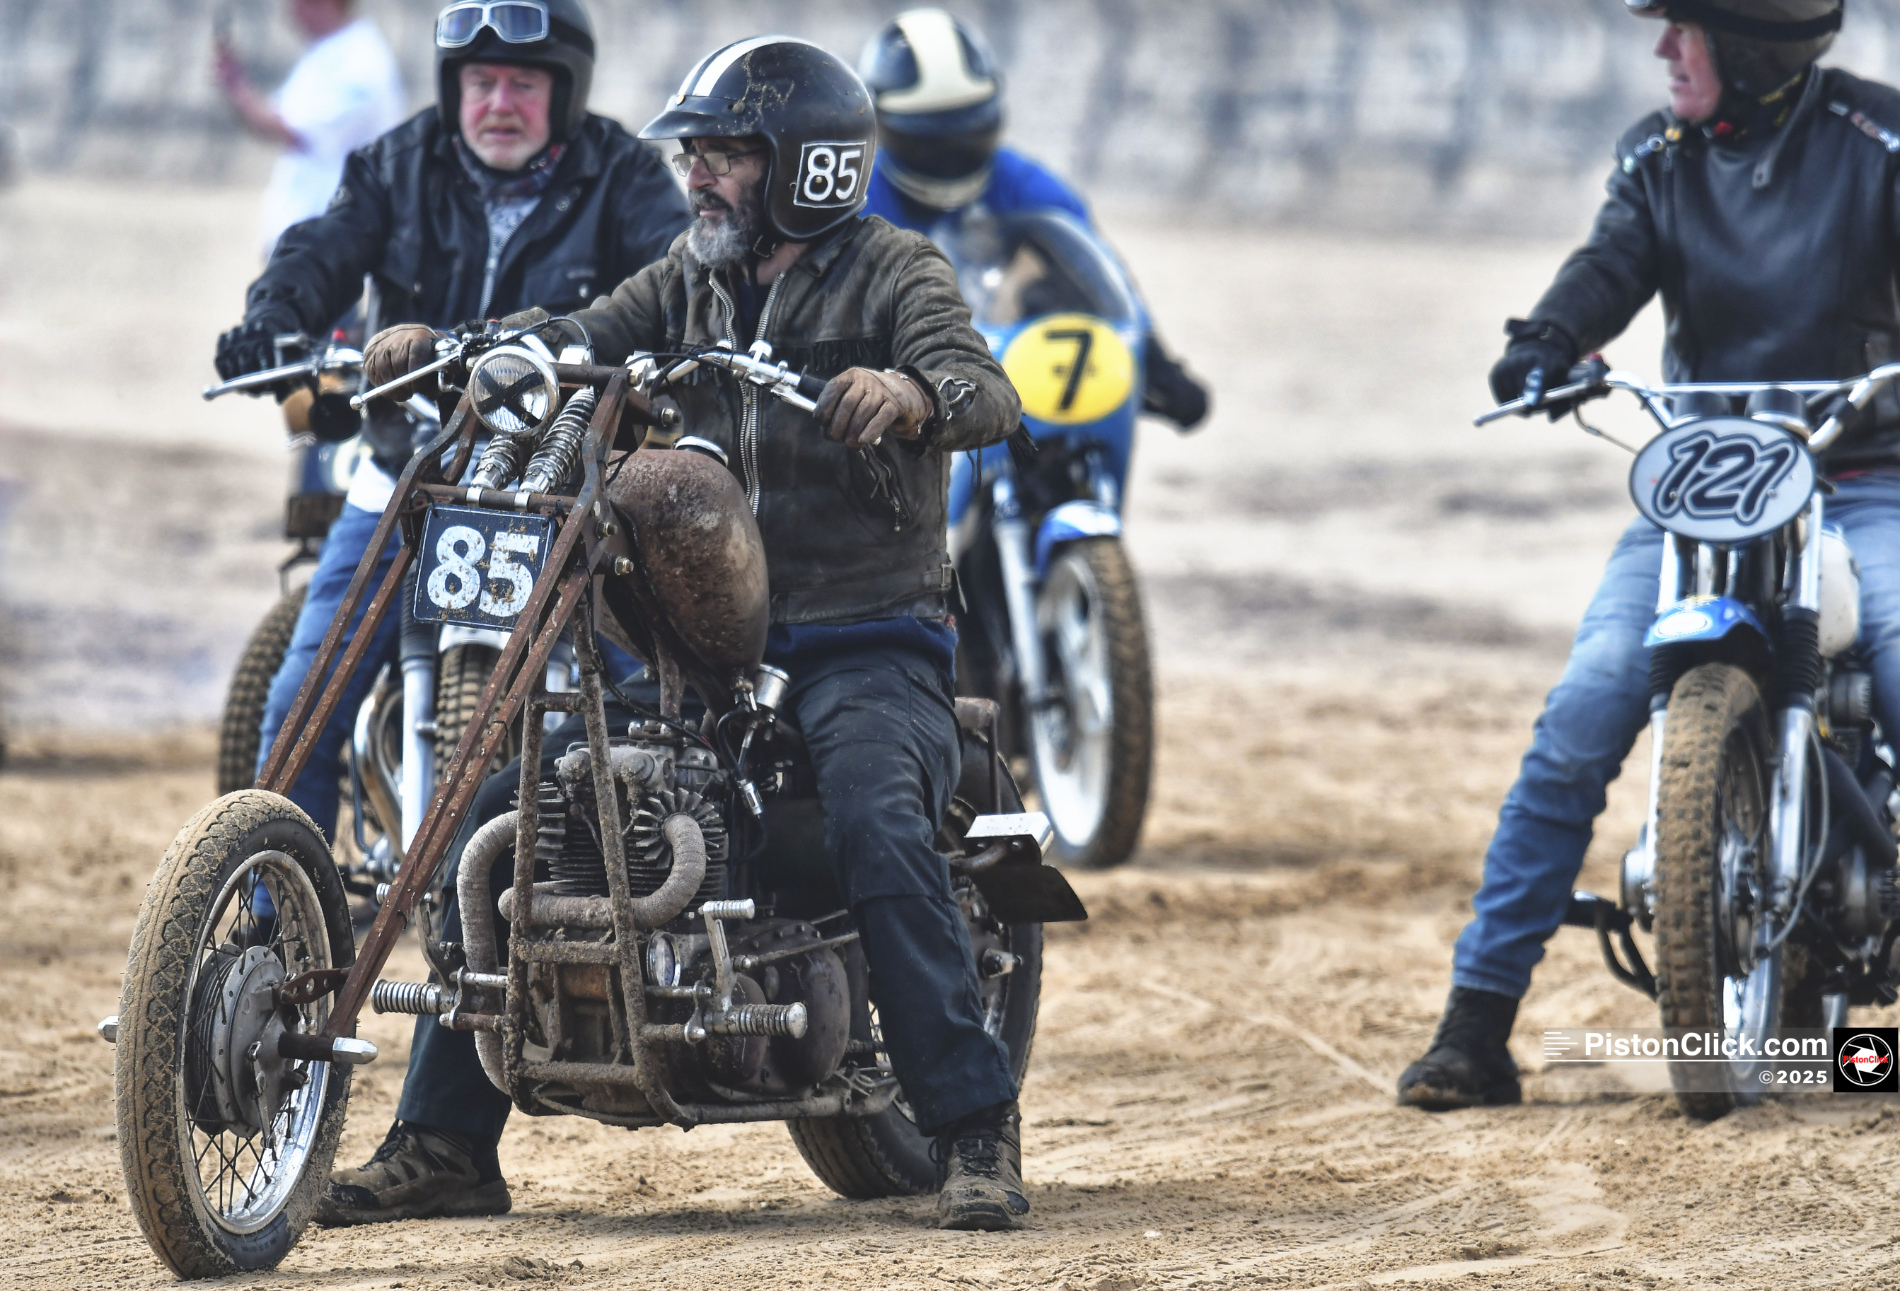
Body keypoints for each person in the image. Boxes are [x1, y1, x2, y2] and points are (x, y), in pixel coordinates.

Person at [333, 34, 1034, 1233]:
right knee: (510, 809)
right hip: (701, 643)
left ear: (807, 167)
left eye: (724, 156)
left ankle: (974, 1129)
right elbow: (578, 330)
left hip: (865, 631)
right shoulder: (688, 281)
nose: (699, 176)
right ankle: (446, 1141)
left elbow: (984, 387)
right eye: (695, 154)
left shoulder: (892, 270)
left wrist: (914, 396)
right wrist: (457, 344)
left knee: (873, 815)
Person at [1397, 0, 1900, 1110]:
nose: (1661, 50)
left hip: (1865, 475)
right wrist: (1545, 338)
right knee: (1581, 710)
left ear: (1753, 45)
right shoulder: (1655, 154)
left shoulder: (1880, 141)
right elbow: (1608, 263)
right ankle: (1474, 1026)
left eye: (1686, 30)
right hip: (1706, 486)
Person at [210, 0, 688, 862]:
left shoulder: (626, 174)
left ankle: (630, 901)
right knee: (299, 705)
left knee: (647, 700)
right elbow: (318, 250)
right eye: (480, 82)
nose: (498, 102)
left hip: (564, 482)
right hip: (407, 471)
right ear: (452, 85)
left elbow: (675, 276)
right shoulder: (396, 166)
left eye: (522, 83)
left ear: (565, 90)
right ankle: (272, 934)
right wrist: (274, 317)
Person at [856, 7, 1209, 431]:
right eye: (931, 140)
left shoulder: (1030, 188)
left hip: (1015, 380)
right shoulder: (859, 202)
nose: (950, 154)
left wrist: (1156, 360)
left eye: (965, 133)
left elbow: (1097, 271)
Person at [214, 0, 406, 258]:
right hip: (310, 249)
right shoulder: (328, 55)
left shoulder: (359, 63)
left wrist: (237, 87)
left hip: (328, 252)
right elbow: (274, 119)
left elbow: (289, 130)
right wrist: (235, 85)